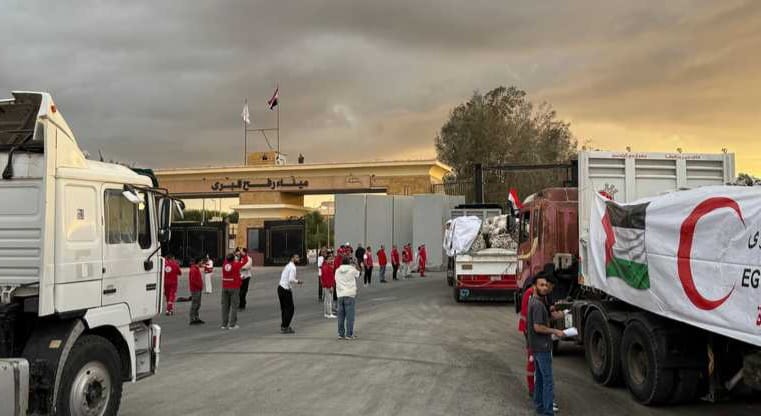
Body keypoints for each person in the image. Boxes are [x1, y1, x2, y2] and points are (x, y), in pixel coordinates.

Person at [527, 273, 564, 416]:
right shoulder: (537, 304)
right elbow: (537, 327)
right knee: (547, 381)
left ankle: (539, 406)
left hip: (536, 347)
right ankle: (548, 412)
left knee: (541, 379)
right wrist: (556, 331)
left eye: (546, 285)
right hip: (542, 347)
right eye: (541, 285)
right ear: (534, 286)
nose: (544, 288)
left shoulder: (534, 301)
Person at [518, 276, 537, 397]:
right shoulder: (531, 294)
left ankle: (533, 387)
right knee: (532, 358)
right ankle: (532, 388)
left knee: (532, 358)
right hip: (530, 331)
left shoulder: (530, 293)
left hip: (529, 330)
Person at [335, 256, 360, 340]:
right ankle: (349, 334)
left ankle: (340, 334)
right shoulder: (352, 269)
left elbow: (336, 280)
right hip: (349, 294)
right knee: (350, 316)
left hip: (340, 294)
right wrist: (356, 263)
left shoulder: (337, 270)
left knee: (341, 316)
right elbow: (359, 273)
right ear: (349, 262)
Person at [278, 253, 303, 334]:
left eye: (298, 257)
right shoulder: (292, 267)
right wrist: (298, 281)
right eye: (296, 257)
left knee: (284, 309)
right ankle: (285, 326)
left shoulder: (288, 265)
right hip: (285, 289)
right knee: (290, 309)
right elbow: (291, 279)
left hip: (280, 288)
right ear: (292, 259)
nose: (298, 259)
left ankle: (284, 326)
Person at [221, 253, 243, 330]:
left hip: (225, 286)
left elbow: (226, 260)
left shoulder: (224, 265)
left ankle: (224, 324)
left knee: (225, 306)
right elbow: (243, 262)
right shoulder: (236, 265)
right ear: (233, 259)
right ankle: (232, 324)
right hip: (234, 287)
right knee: (234, 306)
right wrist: (240, 257)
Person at [188, 257, 206, 325]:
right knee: (195, 304)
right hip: (195, 289)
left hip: (198, 289)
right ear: (199, 262)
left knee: (198, 304)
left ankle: (196, 317)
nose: (202, 263)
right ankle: (192, 318)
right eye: (201, 261)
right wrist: (199, 285)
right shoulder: (194, 269)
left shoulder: (196, 268)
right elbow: (193, 280)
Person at [320, 253, 336, 318]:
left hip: (326, 285)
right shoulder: (326, 267)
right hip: (328, 285)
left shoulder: (326, 266)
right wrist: (330, 286)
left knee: (326, 300)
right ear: (326, 260)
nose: (330, 260)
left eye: (331, 259)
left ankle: (326, 312)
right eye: (329, 259)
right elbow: (327, 278)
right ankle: (329, 313)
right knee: (329, 300)